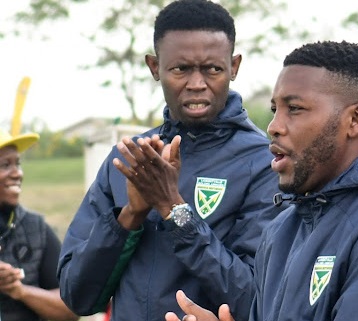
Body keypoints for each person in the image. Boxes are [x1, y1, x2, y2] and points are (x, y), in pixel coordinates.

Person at [164, 40, 358, 321]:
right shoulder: (282, 230)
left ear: (356, 119)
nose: (274, 127)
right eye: (274, 110)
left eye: (294, 109)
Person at [57, 0, 284, 320]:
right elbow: (77, 296)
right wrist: (131, 215)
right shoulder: (127, 160)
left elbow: (257, 300)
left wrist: (173, 210)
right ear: (154, 67)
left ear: (234, 67)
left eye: (213, 69)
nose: (196, 84)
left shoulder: (266, 164)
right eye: (180, 69)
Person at [0, 129, 79, 321]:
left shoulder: (36, 228)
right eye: (5, 165)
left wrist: (18, 290)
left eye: (17, 163)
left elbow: (72, 308)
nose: (17, 173)